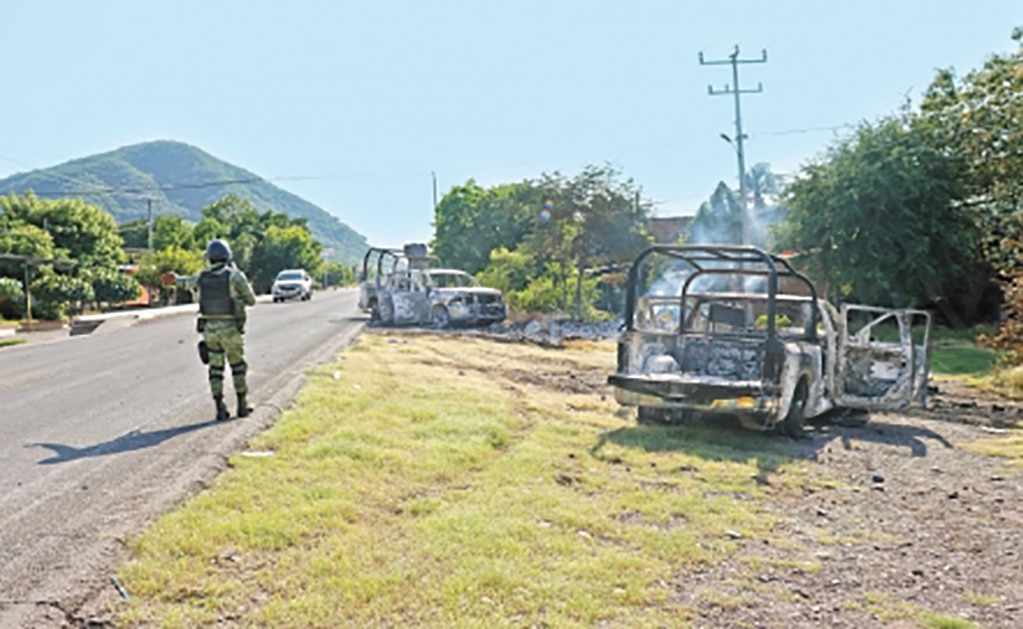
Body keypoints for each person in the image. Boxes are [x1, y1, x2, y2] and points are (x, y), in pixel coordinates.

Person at [163, 239, 257, 421]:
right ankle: (242, 405)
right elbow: (251, 300)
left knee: (215, 370)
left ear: (209, 258)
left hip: (209, 329)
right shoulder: (235, 276)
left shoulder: (202, 277)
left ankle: (220, 408)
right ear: (227, 256)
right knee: (238, 367)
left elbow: (184, 282)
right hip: (230, 328)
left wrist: (175, 279)